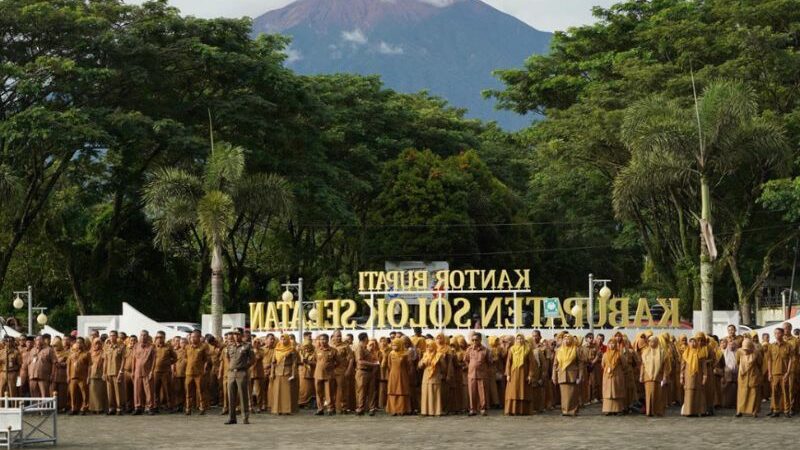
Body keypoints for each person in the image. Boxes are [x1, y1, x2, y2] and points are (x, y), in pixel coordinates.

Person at [224, 328, 253, 424]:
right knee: (231, 395)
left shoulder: (247, 346)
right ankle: (232, 418)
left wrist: (245, 367)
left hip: (241, 372)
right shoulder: (229, 346)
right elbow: (227, 358)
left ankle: (245, 417)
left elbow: (252, 359)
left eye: (238, 334)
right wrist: (230, 367)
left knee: (243, 395)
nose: (235, 336)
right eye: (234, 334)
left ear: (242, 335)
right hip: (232, 373)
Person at [553, 335, 584, 416]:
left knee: (573, 394)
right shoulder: (559, 350)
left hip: (572, 375)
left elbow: (580, 364)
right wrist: (554, 376)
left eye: (568, 339)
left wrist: (580, 376)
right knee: (564, 395)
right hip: (562, 374)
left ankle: (573, 410)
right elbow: (555, 364)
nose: (566, 341)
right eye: (565, 339)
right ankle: (565, 410)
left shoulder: (576, 349)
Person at [504, 333, 533, 416]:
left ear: (523, 340)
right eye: (518, 339)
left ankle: (523, 410)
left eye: (521, 339)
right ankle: (511, 410)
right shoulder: (512, 349)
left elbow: (531, 363)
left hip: (524, 373)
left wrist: (530, 375)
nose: (519, 340)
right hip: (513, 373)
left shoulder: (528, 349)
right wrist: (508, 374)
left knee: (523, 391)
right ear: (515, 340)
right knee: (512, 391)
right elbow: (508, 363)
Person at [640, 335, 670, 417]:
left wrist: (664, 377)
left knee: (659, 394)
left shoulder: (662, 352)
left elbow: (666, 367)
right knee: (649, 394)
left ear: (657, 342)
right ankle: (649, 411)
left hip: (659, 377)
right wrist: (641, 376)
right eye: (649, 341)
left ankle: (658, 411)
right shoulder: (645, 352)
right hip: (648, 377)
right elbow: (643, 365)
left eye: (653, 341)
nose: (651, 343)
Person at [767, 327, 793, 417]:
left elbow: (791, 359)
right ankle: (776, 410)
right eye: (775, 333)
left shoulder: (788, 346)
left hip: (784, 373)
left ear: (782, 334)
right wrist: (769, 373)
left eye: (779, 333)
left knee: (785, 392)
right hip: (774, 374)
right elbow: (769, 360)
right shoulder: (771, 346)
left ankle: (786, 411)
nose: (777, 335)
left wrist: (788, 372)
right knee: (774, 393)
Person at [464, 333, 491, 416]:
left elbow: (489, 362)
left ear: (480, 340)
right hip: (471, 374)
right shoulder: (469, 350)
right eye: (473, 340)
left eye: (476, 340)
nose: (474, 341)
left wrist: (484, 369)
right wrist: (470, 367)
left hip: (482, 374)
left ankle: (482, 409)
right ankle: (473, 409)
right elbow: (466, 360)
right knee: (472, 392)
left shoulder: (486, 350)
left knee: (482, 392)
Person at [269, 334, 296, 416]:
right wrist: (272, 373)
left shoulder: (292, 350)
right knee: (277, 392)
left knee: (287, 393)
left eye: (284, 339)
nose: (283, 341)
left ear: (288, 340)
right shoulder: (276, 350)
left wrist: (293, 374)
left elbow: (294, 363)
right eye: (281, 339)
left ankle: (287, 409)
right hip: (278, 372)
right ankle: (277, 409)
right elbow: (273, 363)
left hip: (287, 372)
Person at [184, 330, 210, 415]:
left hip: (199, 373)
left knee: (201, 391)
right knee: (188, 391)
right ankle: (188, 408)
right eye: (191, 337)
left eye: (194, 337)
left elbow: (206, 359)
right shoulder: (187, 347)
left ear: (199, 337)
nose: (192, 339)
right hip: (189, 373)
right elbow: (185, 358)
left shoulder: (203, 347)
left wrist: (205, 367)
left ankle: (202, 407)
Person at [736, 338, 762, 417]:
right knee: (741, 394)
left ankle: (754, 411)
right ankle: (739, 410)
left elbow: (760, 363)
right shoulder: (739, 352)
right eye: (745, 349)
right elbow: (737, 362)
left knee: (754, 393)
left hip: (753, 374)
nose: (746, 351)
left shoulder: (756, 352)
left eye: (748, 349)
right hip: (742, 375)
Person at [354, 333, 379, 416]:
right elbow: (360, 361)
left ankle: (371, 408)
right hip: (362, 372)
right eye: (367, 338)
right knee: (362, 391)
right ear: (365, 338)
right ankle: (360, 408)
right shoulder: (359, 347)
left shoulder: (365, 348)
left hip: (369, 372)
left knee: (371, 391)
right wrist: (374, 364)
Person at [385, 338, 412, 416]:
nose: (393, 346)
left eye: (395, 345)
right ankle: (393, 410)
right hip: (393, 374)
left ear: (400, 345)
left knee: (402, 390)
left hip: (403, 374)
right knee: (393, 390)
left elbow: (408, 365)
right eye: (393, 345)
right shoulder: (391, 353)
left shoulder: (406, 354)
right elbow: (389, 365)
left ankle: (403, 409)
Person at [681, 337, 706, 417]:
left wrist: (705, 377)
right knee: (689, 393)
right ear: (689, 343)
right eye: (691, 342)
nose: (693, 343)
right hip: (688, 376)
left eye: (694, 342)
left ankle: (697, 411)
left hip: (698, 376)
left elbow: (704, 367)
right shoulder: (686, 353)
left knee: (698, 393)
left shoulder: (701, 353)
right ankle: (688, 411)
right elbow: (682, 367)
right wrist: (681, 377)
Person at [419, 338, 445, 416]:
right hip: (426, 376)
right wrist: (422, 363)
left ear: (434, 346)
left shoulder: (439, 355)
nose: (428, 348)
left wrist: (439, 369)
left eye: (430, 346)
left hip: (435, 375)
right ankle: (425, 411)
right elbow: (419, 366)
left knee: (435, 393)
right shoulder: (425, 355)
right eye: (427, 346)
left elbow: (444, 366)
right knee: (426, 392)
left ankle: (436, 411)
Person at [152, 331, 177, 413]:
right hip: (155, 371)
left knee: (167, 390)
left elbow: (175, 358)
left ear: (164, 338)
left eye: (161, 337)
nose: (159, 339)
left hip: (166, 372)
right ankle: (156, 406)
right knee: (155, 390)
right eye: (158, 337)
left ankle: (170, 406)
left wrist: (169, 363)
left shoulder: (168, 347)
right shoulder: (153, 347)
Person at [132, 331, 155, 415]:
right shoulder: (136, 346)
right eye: (141, 335)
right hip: (137, 371)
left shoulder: (151, 347)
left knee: (148, 390)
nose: (143, 337)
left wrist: (152, 371)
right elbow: (133, 360)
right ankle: (138, 407)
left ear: (147, 336)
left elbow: (153, 360)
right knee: (137, 390)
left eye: (145, 335)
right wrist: (132, 371)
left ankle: (149, 407)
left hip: (147, 371)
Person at [313, 334, 338, 415]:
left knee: (329, 392)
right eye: (320, 339)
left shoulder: (333, 350)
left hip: (329, 374)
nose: (322, 341)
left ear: (328, 340)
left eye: (324, 339)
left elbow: (338, 362)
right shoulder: (317, 350)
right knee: (318, 392)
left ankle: (330, 409)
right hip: (318, 374)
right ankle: (320, 409)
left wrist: (331, 367)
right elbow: (314, 361)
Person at [103, 330, 127, 415]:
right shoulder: (107, 347)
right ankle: (111, 408)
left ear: (117, 337)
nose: (111, 337)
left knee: (118, 391)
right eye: (110, 335)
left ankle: (119, 408)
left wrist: (121, 371)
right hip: (109, 372)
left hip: (117, 372)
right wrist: (104, 372)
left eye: (113, 335)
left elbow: (124, 359)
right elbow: (105, 360)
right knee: (110, 391)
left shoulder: (121, 347)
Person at [601, 338, 626, 415]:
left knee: (617, 391)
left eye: (613, 344)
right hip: (607, 376)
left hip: (617, 375)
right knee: (607, 392)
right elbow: (603, 364)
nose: (611, 345)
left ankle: (618, 409)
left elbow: (624, 364)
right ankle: (607, 409)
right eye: (610, 344)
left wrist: (617, 369)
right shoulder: (605, 354)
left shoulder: (619, 354)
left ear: (616, 345)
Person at [67, 341, 90, 415]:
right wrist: (68, 376)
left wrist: (88, 376)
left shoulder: (86, 354)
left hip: (82, 377)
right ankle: (74, 408)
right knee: (73, 394)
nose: (76, 349)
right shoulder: (71, 355)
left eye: (78, 347)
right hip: (73, 377)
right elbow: (68, 366)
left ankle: (84, 408)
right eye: (75, 348)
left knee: (84, 393)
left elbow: (89, 366)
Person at [88, 338, 108, 414]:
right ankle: (93, 408)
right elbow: (88, 365)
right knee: (93, 392)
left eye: (99, 343)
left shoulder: (103, 352)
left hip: (100, 374)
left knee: (100, 392)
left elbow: (105, 362)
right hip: (92, 374)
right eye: (96, 343)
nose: (97, 345)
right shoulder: (90, 352)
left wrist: (104, 373)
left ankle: (100, 408)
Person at [297, 333, 316, 409]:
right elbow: (296, 361)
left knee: (311, 389)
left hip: (312, 372)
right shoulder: (299, 350)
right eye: (308, 337)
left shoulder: (314, 350)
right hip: (302, 372)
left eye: (311, 337)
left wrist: (309, 362)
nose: (310, 338)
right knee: (303, 389)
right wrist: (303, 361)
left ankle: (310, 403)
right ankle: (301, 403)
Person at [720, 339, 738, 408]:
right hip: (727, 374)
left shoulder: (737, 352)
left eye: (733, 344)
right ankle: (726, 403)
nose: (731, 346)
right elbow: (724, 364)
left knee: (734, 389)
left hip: (736, 374)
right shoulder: (724, 353)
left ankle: (734, 403)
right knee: (727, 389)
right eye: (730, 344)